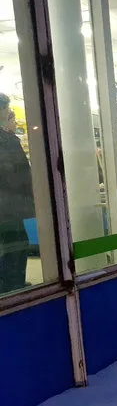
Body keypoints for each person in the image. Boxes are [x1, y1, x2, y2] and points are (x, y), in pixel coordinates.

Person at [0, 94, 35, 294]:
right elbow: (20, 175)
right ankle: (14, 287)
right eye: (7, 109)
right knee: (16, 246)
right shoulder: (8, 141)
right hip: (9, 207)